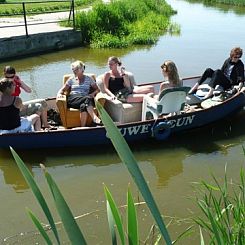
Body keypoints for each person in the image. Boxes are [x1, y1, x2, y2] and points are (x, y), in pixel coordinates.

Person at [57, 60, 101, 127]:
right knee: (88, 98)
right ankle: (95, 118)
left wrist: (93, 94)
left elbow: (98, 89)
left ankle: (82, 127)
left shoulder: (89, 79)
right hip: (73, 99)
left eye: (76, 69)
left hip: (85, 99)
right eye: (73, 69)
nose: (74, 71)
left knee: (83, 106)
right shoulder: (71, 79)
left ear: (81, 69)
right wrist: (59, 94)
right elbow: (62, 90)